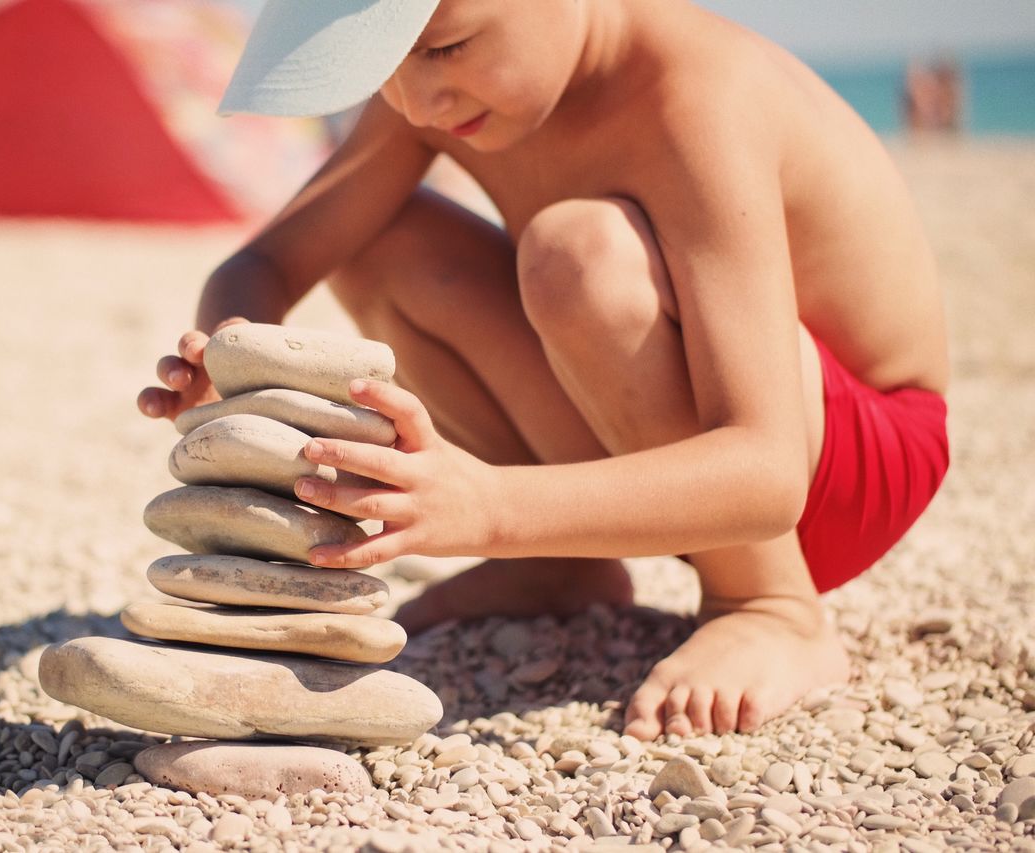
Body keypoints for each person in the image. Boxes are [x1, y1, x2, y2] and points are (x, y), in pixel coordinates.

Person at [137, 0, 950, 739]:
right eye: (386, 64)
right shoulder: (432, 93)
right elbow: (269, 260)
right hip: (685, 454)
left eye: (447, 46)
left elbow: (769, 472)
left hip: (841, 464)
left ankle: (769, 604)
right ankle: (563, 564)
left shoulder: (698, 95)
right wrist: (232, 353)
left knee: (580, 255)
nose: (419, 101)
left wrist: (490, 506)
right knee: (380, 239)